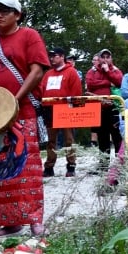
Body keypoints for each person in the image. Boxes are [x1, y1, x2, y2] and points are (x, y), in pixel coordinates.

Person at [0, 0, 50, 237]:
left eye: (5, 10)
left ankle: (34, 219)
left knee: (26, 166)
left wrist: (13, 100)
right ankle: (10, 221)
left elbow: (37, 71)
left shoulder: (29, 36)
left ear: (18, 14)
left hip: (21, 111)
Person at [41, 47, 83, 177]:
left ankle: (71, 165)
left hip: (65, 110)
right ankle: (49, 166)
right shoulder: (48, 74)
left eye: (55, 56)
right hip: (49, 109)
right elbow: (42, 89)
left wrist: (74, 110)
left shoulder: (71, 72)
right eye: (51, 56)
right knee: (51, 140)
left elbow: (76, 92)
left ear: (62, 56)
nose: (52, 58)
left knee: (69, 139)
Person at [85, 49, 124, 156]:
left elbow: (119, 82)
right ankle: (103, 165)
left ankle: (119, 164)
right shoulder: (92, 71)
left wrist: (107, 71)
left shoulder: (115, 70)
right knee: (102, 138)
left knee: (117, 136)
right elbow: (90, 84)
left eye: (108, 57)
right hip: (98, 109)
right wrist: (108, 83)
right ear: (99, 59)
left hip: (113, 108)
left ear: (111, 59)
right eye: (103, 57)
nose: (105, 59)